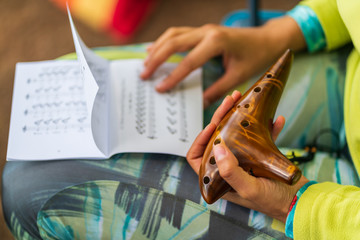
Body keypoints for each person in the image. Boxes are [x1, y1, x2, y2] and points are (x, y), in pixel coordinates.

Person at [141, 0, 360, 238]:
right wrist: (272, 36)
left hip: (345, 214)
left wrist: (295, 203)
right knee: (176, 68)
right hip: (348, 75)